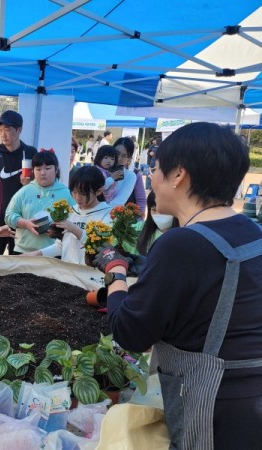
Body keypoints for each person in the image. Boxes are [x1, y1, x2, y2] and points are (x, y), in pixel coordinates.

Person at [95, 122, 262, 449]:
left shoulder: (181, 244)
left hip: (214, 410)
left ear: (178, 175)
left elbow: (131, 333)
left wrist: (115, 273)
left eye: (155, 169)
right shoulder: (252, 232)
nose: (151, 178)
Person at [25, 166, 112, 264]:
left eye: (83, 193)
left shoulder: (107, 215)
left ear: (99, 191)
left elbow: (104, 248)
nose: (77, 198)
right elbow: (61, 246)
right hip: (67, 273)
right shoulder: (70, 212)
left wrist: (75, 230)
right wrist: (36, 254)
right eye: (74, 192)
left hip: (90, 275)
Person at [4, 151, 75, 254]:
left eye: (47, 168)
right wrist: (25, 223)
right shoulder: (25, 191)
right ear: (33, 171)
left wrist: (58, 229)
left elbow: (75, 220)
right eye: (38, 169)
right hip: (23, 252)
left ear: (56, 170)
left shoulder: (66, 193)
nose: (43, 173)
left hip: (53, 253)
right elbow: (8, 216)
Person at [0, 110, 38, 255]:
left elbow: (43, 183)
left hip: (21, 221)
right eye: (0, 130)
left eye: (7, 130)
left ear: (19, 130)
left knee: (17, 265)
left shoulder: (30, 153)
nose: (3, 134)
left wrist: (31, 183)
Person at [121, 191, 178, 256]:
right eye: (154, 210)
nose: (159, 214)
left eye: (164, 210)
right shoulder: (138, 229)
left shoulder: (184, 236)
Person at [114, 137, 146, 215]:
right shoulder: (102, 171)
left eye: (124, 156)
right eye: (117, 153)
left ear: (129, 159)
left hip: (123, 219)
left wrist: (138, 219)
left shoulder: (134, 175)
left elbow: (141, 199)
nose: (119, 158)